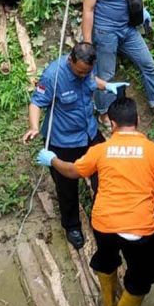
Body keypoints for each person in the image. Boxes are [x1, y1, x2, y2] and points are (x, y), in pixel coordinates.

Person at [35, 96, 154, 306]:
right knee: (143, 274)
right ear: (137, 120)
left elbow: (72, 170)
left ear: (112, 124)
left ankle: (108, 305)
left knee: (107, 260)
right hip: (139, 230)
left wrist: (53, 159)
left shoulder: (100, 150)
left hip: (104, 224)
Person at [23, 43, 128, 249]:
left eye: (86, 72)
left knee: (106, 171)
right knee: (66, 187)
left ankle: (106, 213)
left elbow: (90, 81)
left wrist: (105, 85)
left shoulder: (87, 69)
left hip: (88, 132)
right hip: (63, 139)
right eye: (79, 72)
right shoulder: (53, 75)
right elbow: (36, 102)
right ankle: (72, 226)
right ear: (71, 61)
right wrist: (34, 127)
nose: (83, 75)